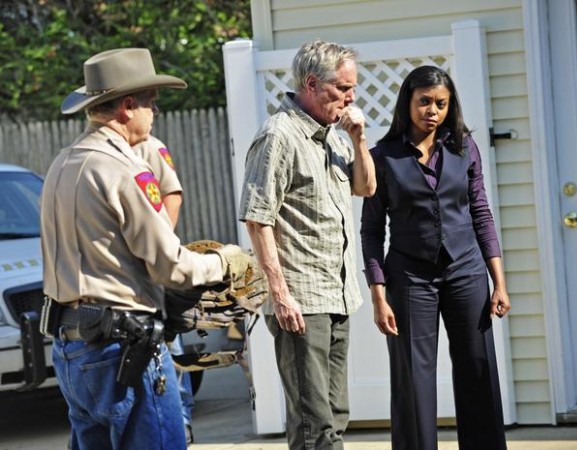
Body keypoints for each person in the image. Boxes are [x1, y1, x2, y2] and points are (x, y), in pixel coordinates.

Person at [40, 48, 251, 450]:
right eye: (151, 102)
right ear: (126, 106)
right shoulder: (122, 168)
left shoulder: (61, 164)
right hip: (123, 348)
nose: (154, 111)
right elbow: (170, 266)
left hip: (71, 349)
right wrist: (225, 262)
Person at [360, 65, 510, 450]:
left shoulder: (464, 148)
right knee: (414, 381)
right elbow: (372, 230)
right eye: (424, 101)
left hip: (466, 271)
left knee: (478, 369)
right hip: (410, 277)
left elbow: (481, 213)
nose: (433, 111)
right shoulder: (383, 157)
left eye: (441, 104)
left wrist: (499, 282)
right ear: (407, 103)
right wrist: (378, 296)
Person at [238, 40, 376, 450]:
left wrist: (359, 140)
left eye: (353, 88)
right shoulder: (278, 136)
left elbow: (366, 187)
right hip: (301, 302)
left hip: (336, 295)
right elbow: (257, 218)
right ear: (312, 84)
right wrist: (281, 296)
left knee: (334, 416)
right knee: (314, 424)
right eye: (342, 88)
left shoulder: (333, 136)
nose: (351, 97)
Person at [133, 134, 195, 445]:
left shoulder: (150, 147)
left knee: (170, 345)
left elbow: (172, 195)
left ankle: (181, 418)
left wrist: (160, 247)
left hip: (153, 266)